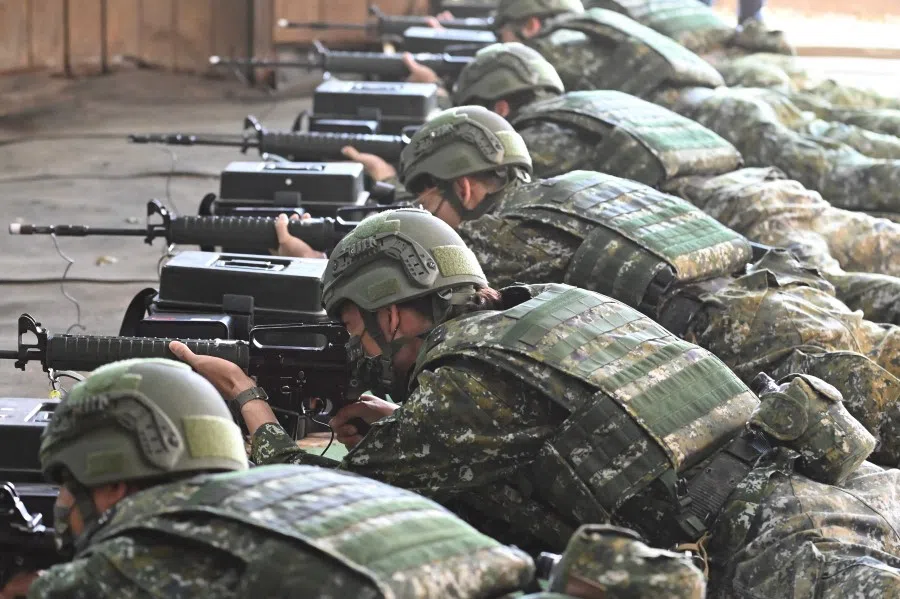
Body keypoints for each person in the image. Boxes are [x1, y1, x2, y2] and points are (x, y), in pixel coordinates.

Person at [178, 206, 900, 598]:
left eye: (353, 326)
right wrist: (410, 425)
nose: (355, 344)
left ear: (390, 314)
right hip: (846, 489)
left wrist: (246, 397)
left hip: (788, 548)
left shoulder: (465, 382)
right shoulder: (550, 304)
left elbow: (319, 495)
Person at [285, 105, 900, 464]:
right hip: (783, 291)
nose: (430, 219)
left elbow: (422, 306)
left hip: (763, 344)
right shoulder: (569, 189)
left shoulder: (496, 241)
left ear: (464, 187)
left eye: (425, 202)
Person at [6, 357, 564, 599]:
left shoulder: (149, 546)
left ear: (109, 482)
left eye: (67, 483)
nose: (61, 502)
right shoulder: (322, 489)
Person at [444, 42, 900, 325]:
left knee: (850, 300)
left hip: (745, 214)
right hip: (757, 182)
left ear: (500, 109)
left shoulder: (541, 140)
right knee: (861, 182)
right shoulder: (584, 104)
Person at [486, 0, 900, 218]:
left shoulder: (551, 49)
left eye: (505, 35)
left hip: (720, 118)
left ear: (531, 25)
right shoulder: (596, 25)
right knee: (842, 132)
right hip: (728, 98)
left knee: (843, 172)